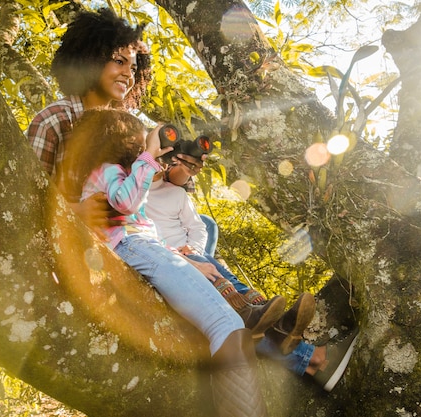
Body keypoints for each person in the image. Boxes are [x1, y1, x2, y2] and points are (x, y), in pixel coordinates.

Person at [64, 108, 268, 416]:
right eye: (137, 135)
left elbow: (149, 232)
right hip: (132, 246)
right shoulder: (106, 170)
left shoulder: (119, 173)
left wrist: (189, 262)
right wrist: (147, 155)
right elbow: (126, 203)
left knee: (226, 323)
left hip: (144, 247)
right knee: (225, 324)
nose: (145, 141)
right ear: (115, 140)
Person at [145, 175, 360, 391]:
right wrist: (183, 257)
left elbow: (200, 228)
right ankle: (311, 357)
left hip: (193, 253)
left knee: (234, 285)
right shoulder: (127, 191)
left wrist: (192, 250)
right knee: (229, 301)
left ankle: (280, 330)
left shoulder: (173, 193)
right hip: (169, 260)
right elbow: (141, 235)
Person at [25, 8, 201, 233]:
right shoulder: (53, 120)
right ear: (89, 60)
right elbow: (28, 194)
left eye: (134, 68)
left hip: (130, 244)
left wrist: (185, 168)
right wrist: (75, 212)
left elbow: (156, 181)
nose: (129, 74)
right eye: (119, 61)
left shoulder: (130, 127)